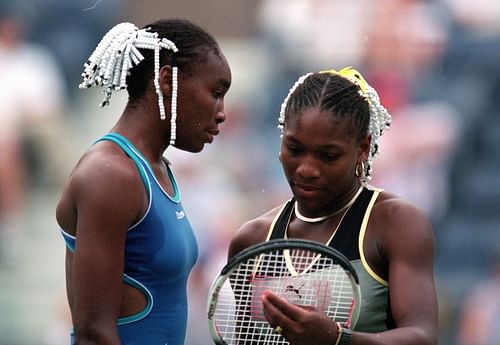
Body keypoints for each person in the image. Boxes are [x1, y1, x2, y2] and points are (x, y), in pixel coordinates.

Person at [228, 67, 438, 345]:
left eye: (328, 156)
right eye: (294, 149)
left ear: (362, 148)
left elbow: (422, 337)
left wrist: (338, 339)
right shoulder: (251, 240)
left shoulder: (396, 222)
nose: (306, 169)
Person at [55, 19, 231, 345]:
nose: (222, 112)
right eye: (216, 93)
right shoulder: (110, 175)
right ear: (167, 79)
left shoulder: (156, 168)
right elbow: (93, 334)